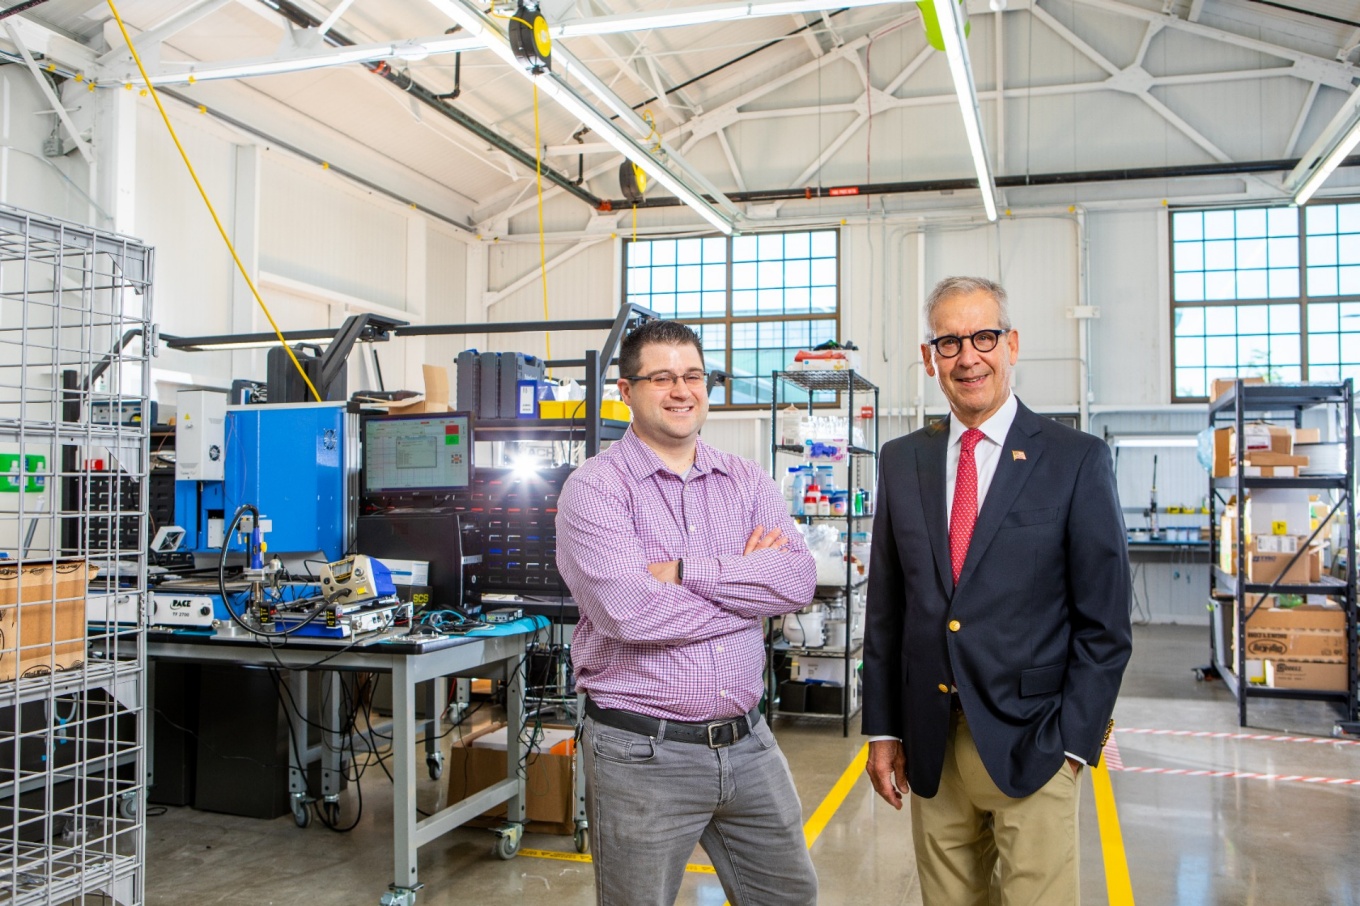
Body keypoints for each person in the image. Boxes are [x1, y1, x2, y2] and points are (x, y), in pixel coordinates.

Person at [862, 276, 1132, 905]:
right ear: (930, 358)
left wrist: (1074, 742)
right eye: (949, 342)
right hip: (931, 743)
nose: (967, 357)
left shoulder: (1074, 458)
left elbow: (1105, 624)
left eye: (983, 337)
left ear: (1011, 345)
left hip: (1035, 742)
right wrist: (883, 729)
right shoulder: (901, 460)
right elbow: (887, 611)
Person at [555, 318, 819, 906]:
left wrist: (684, 572)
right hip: (642, 752)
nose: (682, 391)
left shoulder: (746, 479)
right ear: (626, 391)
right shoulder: (595, 489)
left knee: (790, 897)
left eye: (693, 375)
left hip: (749, 743)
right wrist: (749, 594)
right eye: (663, 378)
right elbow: (629, 614)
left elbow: (799, 581)